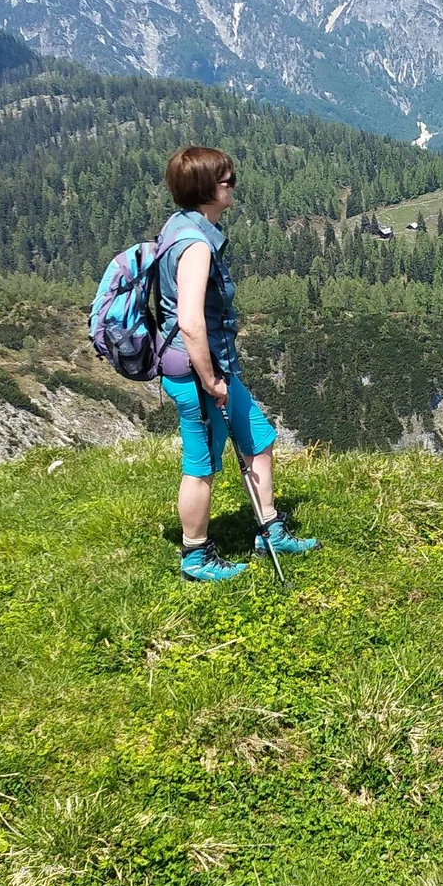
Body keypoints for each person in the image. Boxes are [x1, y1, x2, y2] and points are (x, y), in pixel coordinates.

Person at [155, 145, 318, 583]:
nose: (234, 187)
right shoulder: (195, 246)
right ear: (207, 189)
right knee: (201, 465)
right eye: (228, 181)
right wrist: (210, 380)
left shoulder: (182, 227)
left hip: (217, 369)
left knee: (258, 437)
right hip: (198, 374)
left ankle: (269, 529)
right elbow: (190, 323)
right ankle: (195, 556)